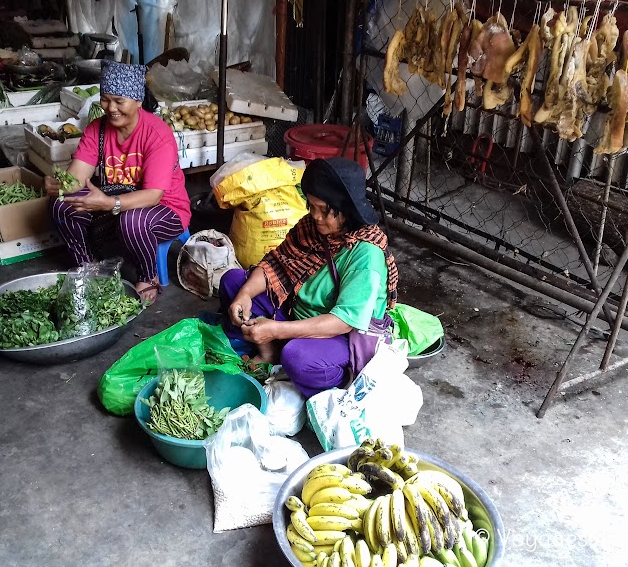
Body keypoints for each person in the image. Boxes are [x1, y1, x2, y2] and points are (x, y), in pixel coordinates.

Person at [220, 157, 399, 398]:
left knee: (298, 357)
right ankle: (269, 353)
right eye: (311, 206)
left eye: (323, 210)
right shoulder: (314, 228)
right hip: (296, 314)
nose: (314, 216)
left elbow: (344, 321)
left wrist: (277, 330)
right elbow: (276, 263)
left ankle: (331, 381)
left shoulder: (365, 254)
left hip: (339, 337)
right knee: (232, 282)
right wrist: (245, 295)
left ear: (345, 209)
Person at [44, 61, 191, 304]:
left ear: (138, 101)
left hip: (166, 209)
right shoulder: (96, 130)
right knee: (61, 203)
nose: (110, 108)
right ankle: (88, 265)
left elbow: (153, 195)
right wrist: (60, 185)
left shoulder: (157, 135)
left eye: (119, 101)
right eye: (105, 99)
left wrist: (109, 203)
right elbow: (77, 177)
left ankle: (148, 275)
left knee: (133, 220)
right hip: (116, 202)